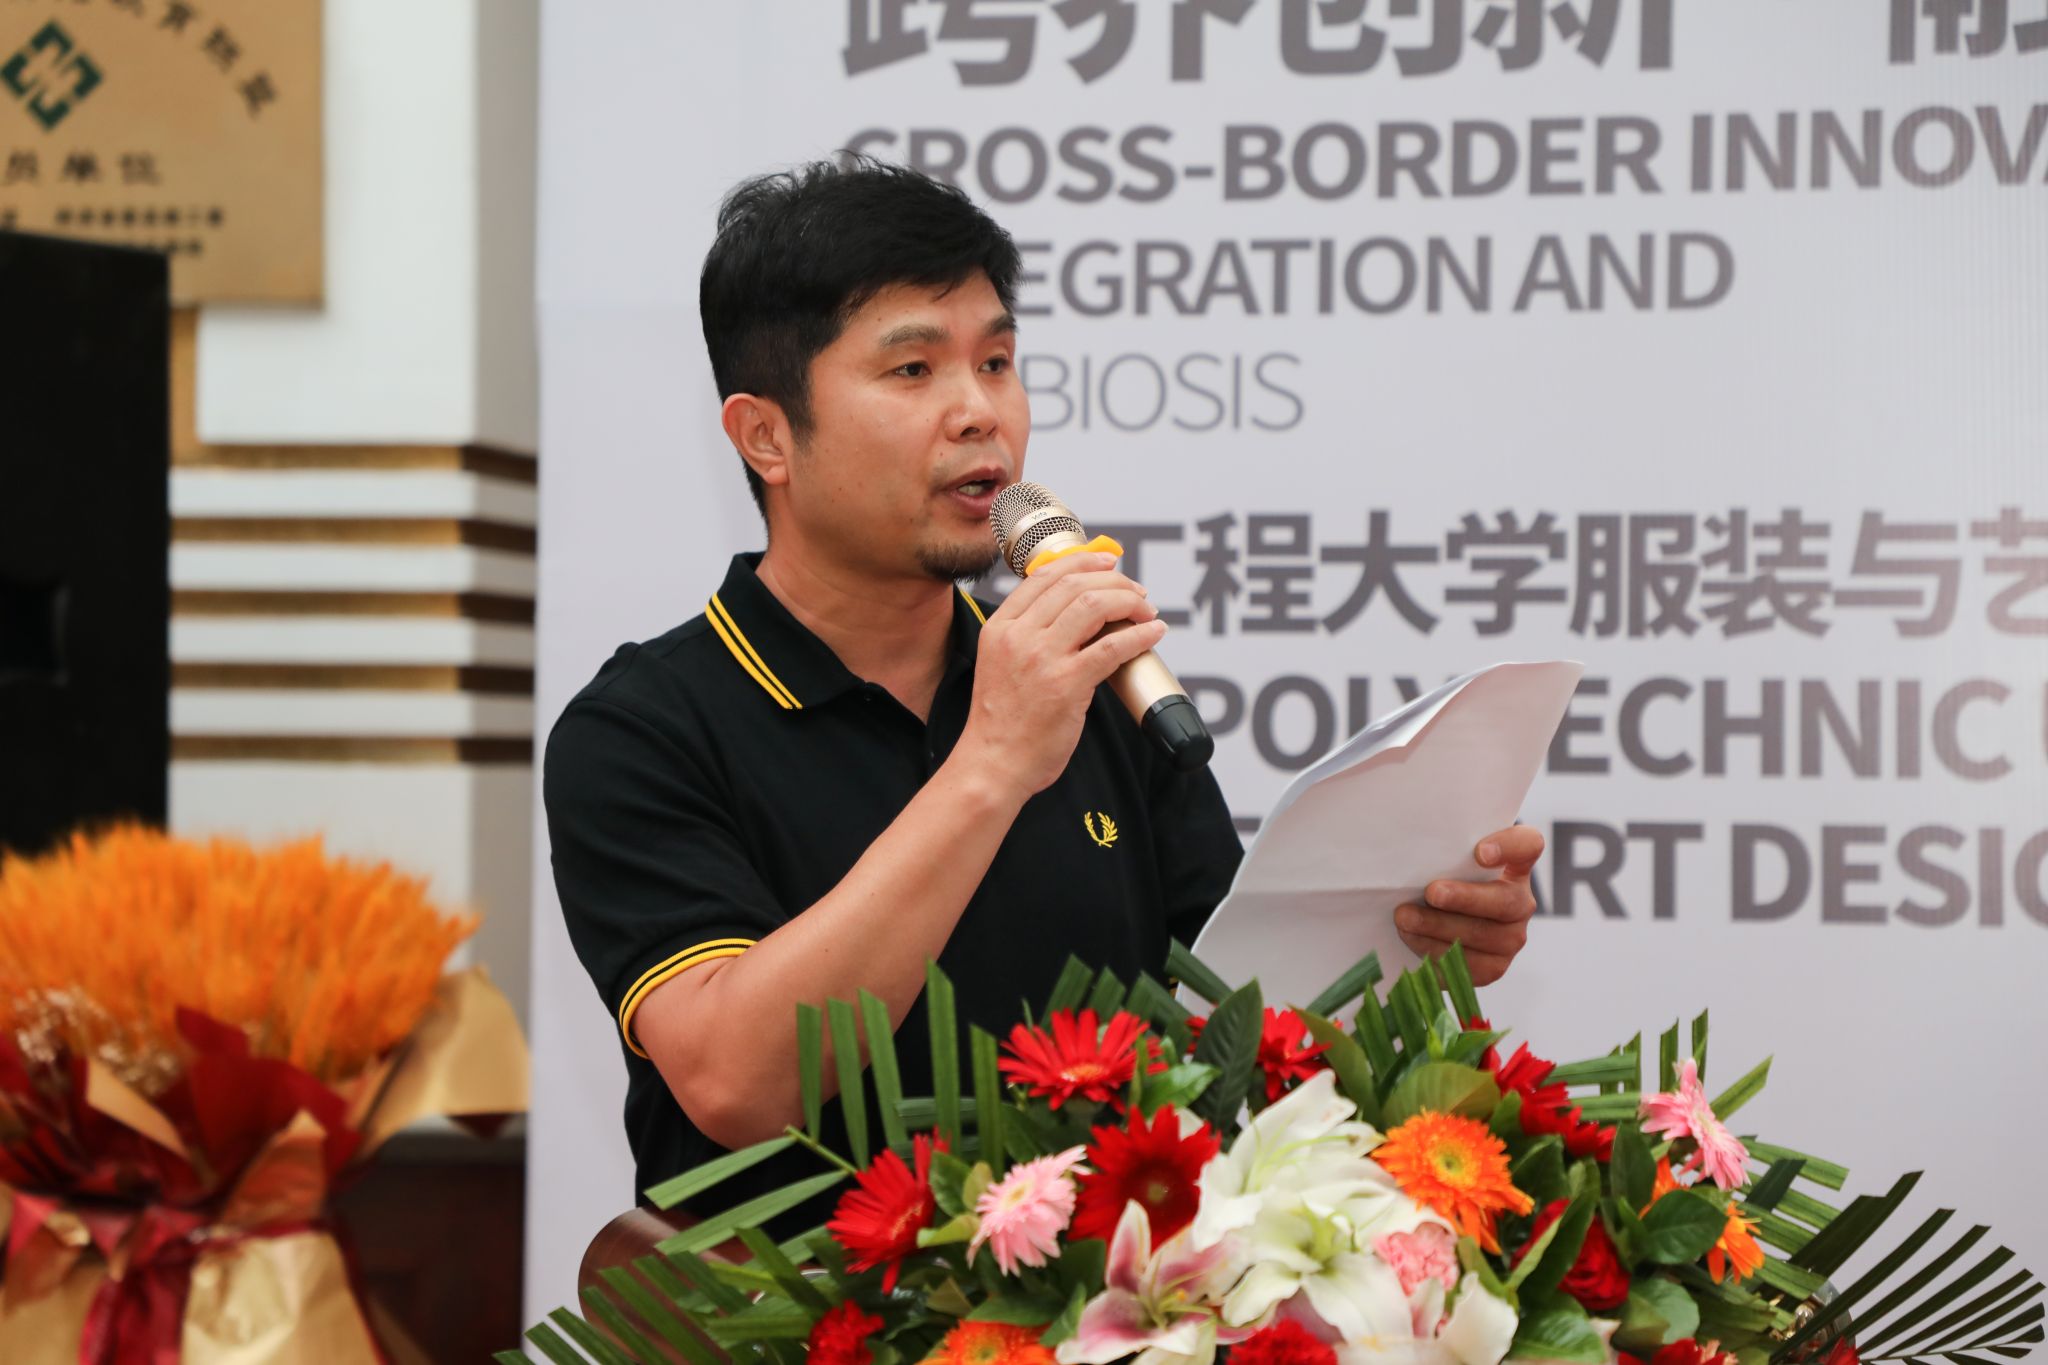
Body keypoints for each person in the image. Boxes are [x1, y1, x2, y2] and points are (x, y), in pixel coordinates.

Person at [543, 158, 1545, 1228]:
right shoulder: (641, 730)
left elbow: (1234, 1025)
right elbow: (737, 1083)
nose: (980, 412)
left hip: (1115, 1294)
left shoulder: (1091, 682)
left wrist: (1405, 947)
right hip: (805, 1307)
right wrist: (992, 763)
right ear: (765, 436)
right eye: (913, 370)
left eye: (997, 361)